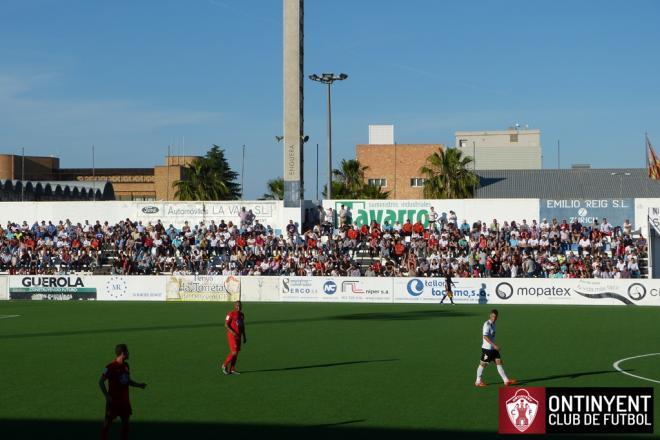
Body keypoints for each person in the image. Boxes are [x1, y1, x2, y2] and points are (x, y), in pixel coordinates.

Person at [99, 344, 147, 440]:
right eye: (127, 351)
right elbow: (100, 381)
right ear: (122, 353)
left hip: (124, 402)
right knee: (107, 424)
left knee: (126, 426)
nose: (129, 353)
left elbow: (127, 381)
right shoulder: (110, 367)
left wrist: (139, 385)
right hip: (113, 401)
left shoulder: (126, 366)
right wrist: (106, 395)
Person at [475, 309, 516, 387]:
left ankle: (506, 381)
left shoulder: (493, 324)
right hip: (487, 349)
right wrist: (494, 345)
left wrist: (494, 347)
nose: (494, 318)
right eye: (492, 316)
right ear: (490, 315)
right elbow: (485, 336)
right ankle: (478, 381)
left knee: (499, 362)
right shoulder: (487, 324)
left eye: (495, 317)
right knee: (482, 364)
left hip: (493, 349)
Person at [222, 300, 247, 375]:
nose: (238, 307)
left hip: (239, 336)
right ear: (234, 306)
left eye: (240, 306)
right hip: (232, 336)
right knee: (234, 352)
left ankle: (232, 369)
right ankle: (224, 365)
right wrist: (233, 332)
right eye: (237, 306)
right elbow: (226, 325)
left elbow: (242, 326)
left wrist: (244, 336)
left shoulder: (242, 315)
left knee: (236, 353)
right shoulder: (231, 314)